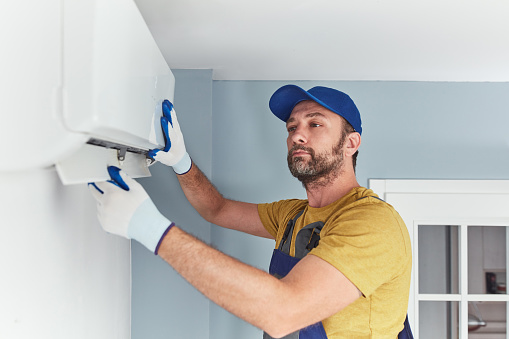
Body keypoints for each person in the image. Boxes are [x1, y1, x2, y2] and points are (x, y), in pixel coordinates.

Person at [89, 85, 412, 338]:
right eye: (292, 127)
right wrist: (181, 163)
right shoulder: (293, 215)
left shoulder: (373, 223)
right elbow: (217, 209)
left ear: (351, 143)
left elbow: (285, 312)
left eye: (315, 123)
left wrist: (150, 229)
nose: (297, 135)